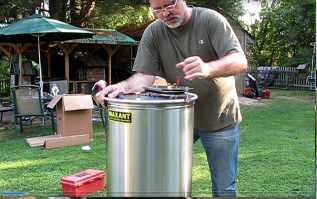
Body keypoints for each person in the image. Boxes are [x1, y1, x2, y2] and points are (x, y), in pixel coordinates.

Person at [94, 0, 247, 197]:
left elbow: (239, 61)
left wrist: (208, 68)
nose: (165, 13)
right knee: (163, 178)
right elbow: (144, 76)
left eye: (169, 5)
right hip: (177, 122)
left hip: (219, 119)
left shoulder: (210, 20)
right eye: (157, 9)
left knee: (224, 188)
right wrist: (122, 86)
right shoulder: (154, 32)